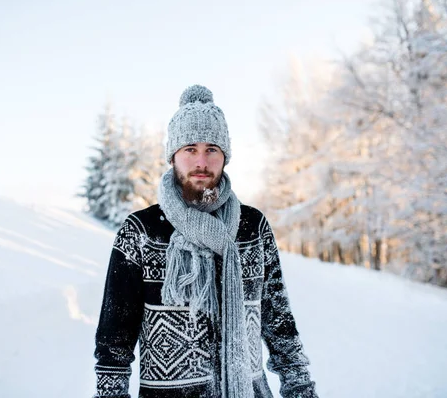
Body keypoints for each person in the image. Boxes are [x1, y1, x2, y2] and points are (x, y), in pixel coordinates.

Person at [94, 85, 318, 398]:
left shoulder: (251, 227)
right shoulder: (141, 231)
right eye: (190, 149)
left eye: (212, 149)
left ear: (225, 156)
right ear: (173, 156)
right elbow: (113, 342)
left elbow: (280, 326)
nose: (201, 161)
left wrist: (302, 390)